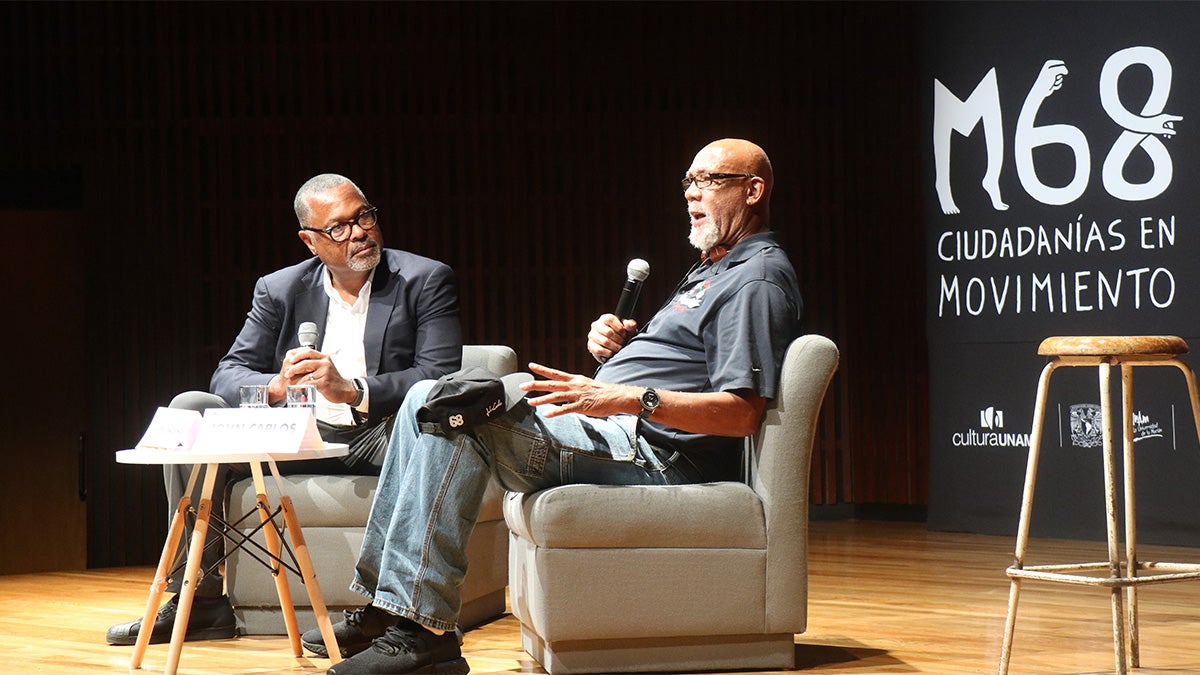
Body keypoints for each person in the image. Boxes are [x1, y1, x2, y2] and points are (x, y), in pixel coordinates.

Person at [301, 138, 804, 675]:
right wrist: (624, 349)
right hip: (617, 430)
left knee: (447, 404)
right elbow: (691, 360)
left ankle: (423, 632)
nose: (691, 194)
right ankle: (388, 606)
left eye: (709, 181)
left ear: (753, 191)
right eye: (688, 181)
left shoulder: (758, 278)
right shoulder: (714, 268)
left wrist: (627, 395)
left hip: (655, 454)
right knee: (439, 398)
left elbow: (741, 412)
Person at [106, 174, 463, 646]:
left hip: (380, 431)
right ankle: (201, 603)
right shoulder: (280, 289)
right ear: (310, 241)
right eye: (339, 228)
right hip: (296, 433)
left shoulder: (423, 279)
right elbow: (228, 373)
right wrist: (274, 386)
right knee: (191, 407)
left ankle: (391, 610)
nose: (359, 233)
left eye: (365, 217)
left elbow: (438, 375)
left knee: (426, 419)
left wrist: (354, 390)